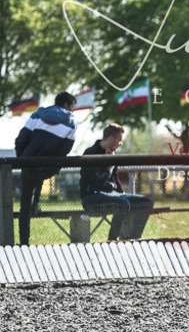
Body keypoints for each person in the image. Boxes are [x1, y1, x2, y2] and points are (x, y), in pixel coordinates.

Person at [15, 92, 77, 245]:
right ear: (67, 105)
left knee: (25, 204)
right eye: (72, 107)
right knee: (41, 176)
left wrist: (22, 158)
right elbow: (65, 150)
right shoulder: (71, 121)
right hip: (48, 165)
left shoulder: (37, 115)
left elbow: (21, 139)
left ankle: (24, 243)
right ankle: (35, 204)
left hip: (29, 163)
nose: (73, 111)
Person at [80, 124, 153, 240]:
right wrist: (109, 168)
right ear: (111, 139)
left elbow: (115, 178)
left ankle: (133, 239)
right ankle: (112, 240)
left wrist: (121, 192)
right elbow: (96, 184)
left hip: (113, 195)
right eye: (120, 140)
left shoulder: (113, 154)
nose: (121, 144)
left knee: (147, 202)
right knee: (123, 204)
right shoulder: (90, 152)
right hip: (92, 197)